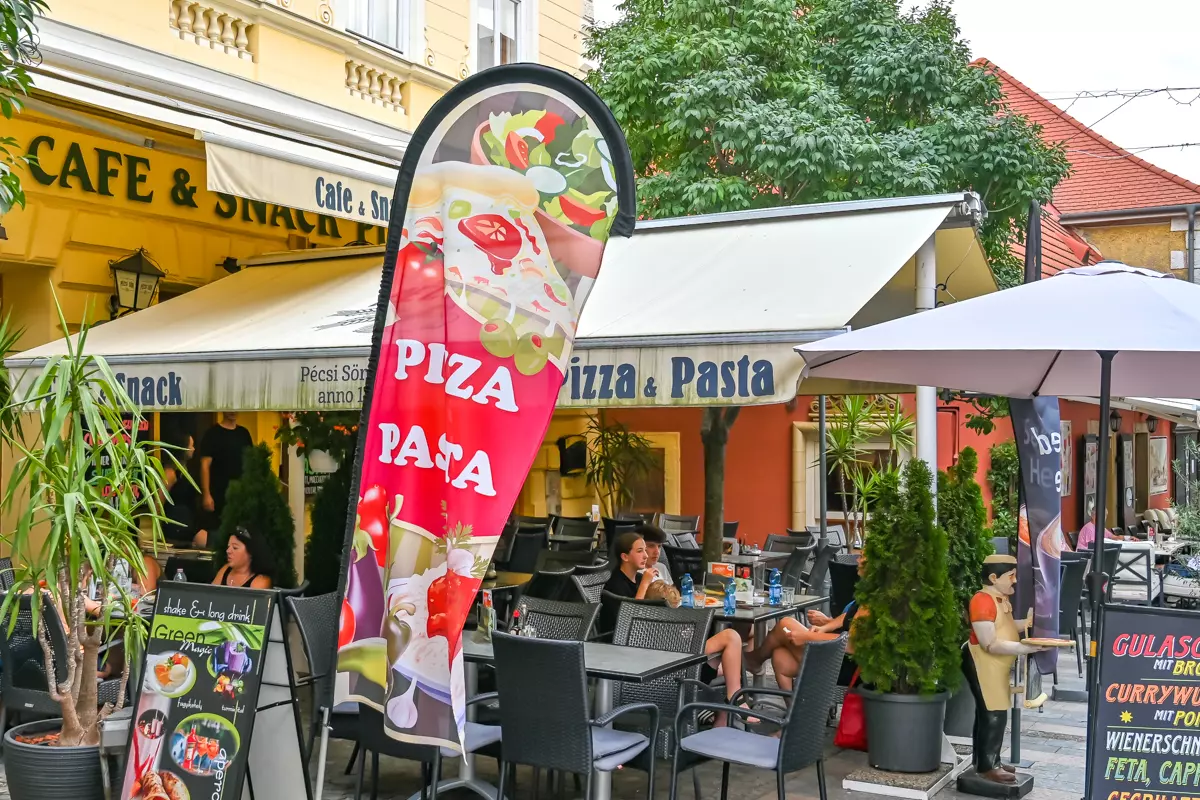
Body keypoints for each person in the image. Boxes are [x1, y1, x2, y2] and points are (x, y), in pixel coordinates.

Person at [601, 532, 750, 726]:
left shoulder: (636, 579)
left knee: (729, 661)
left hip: (663, 651)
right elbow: (633, 620)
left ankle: (721, 717)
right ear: (624, 556)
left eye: (646, 550)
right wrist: (646, 583)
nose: (646, 555)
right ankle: (733, 702)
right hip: (650, 660)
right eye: (640, 551)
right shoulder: (616, 585)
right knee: (730, 639)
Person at [963, 555, 1048, 785]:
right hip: (983, 662)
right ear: (993, 577)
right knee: (994, 713)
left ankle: (988, 760)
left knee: (990, 712)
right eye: (1011, 576)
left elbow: (1005, 627)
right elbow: (989, 642)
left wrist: (1026, 624)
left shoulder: (998, 599)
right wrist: (1022, 647)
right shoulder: (982, 601)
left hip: (997, 665)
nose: (1015, 581)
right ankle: (988, 766)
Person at [744, 553, 868, 688]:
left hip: (849, 667)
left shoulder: (875, 600)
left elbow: (852, 644)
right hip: (840, 656)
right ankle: (796, 709)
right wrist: (827, 626)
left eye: (862, 556)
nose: (857, 560)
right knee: (781, 658)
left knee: (786, 623)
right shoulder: (870, 592)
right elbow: (851, 615)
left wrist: (808, 637)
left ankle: (755, 660)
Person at [199, 412, 253, 527]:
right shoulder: (212, 434)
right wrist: (206, 494)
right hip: (219, 494)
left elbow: (250, 462)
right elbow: (204, 465)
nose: (233, 411)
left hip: (240, 494)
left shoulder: (244, 433)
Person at [162, 431, 208, 548]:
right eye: (191, 445)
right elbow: (158, 502)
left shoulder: (185, 470)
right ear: (182, 448)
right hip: (175, 524)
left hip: (189, 522)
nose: (193, 449)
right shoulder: (170, 473)